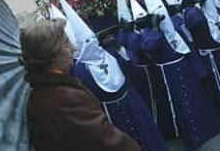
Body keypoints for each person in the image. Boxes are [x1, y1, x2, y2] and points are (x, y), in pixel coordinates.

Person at [58, 0, 169, 151]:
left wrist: (119, 48)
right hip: (111, 113)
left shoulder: (108, 52)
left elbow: (131, 66)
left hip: (131, 101)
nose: (92, 44)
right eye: (87, 42)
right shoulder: (80, 68)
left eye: (92, 39)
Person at [135, 0, 220, 150]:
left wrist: (198, 69)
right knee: (180, 104)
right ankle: (193, 136)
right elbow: (148, 48)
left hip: (183, 67)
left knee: (195, 98)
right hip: (168, 75)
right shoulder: (148, 31)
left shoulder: (174, 24)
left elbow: (188, 48)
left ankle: (208, 128)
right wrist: (154, 29)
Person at [22, 19, 141, 151]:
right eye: (66, 44)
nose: (74, 48)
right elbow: (108, 141)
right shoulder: (65, 99)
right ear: (51, 54)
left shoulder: (45, 91)